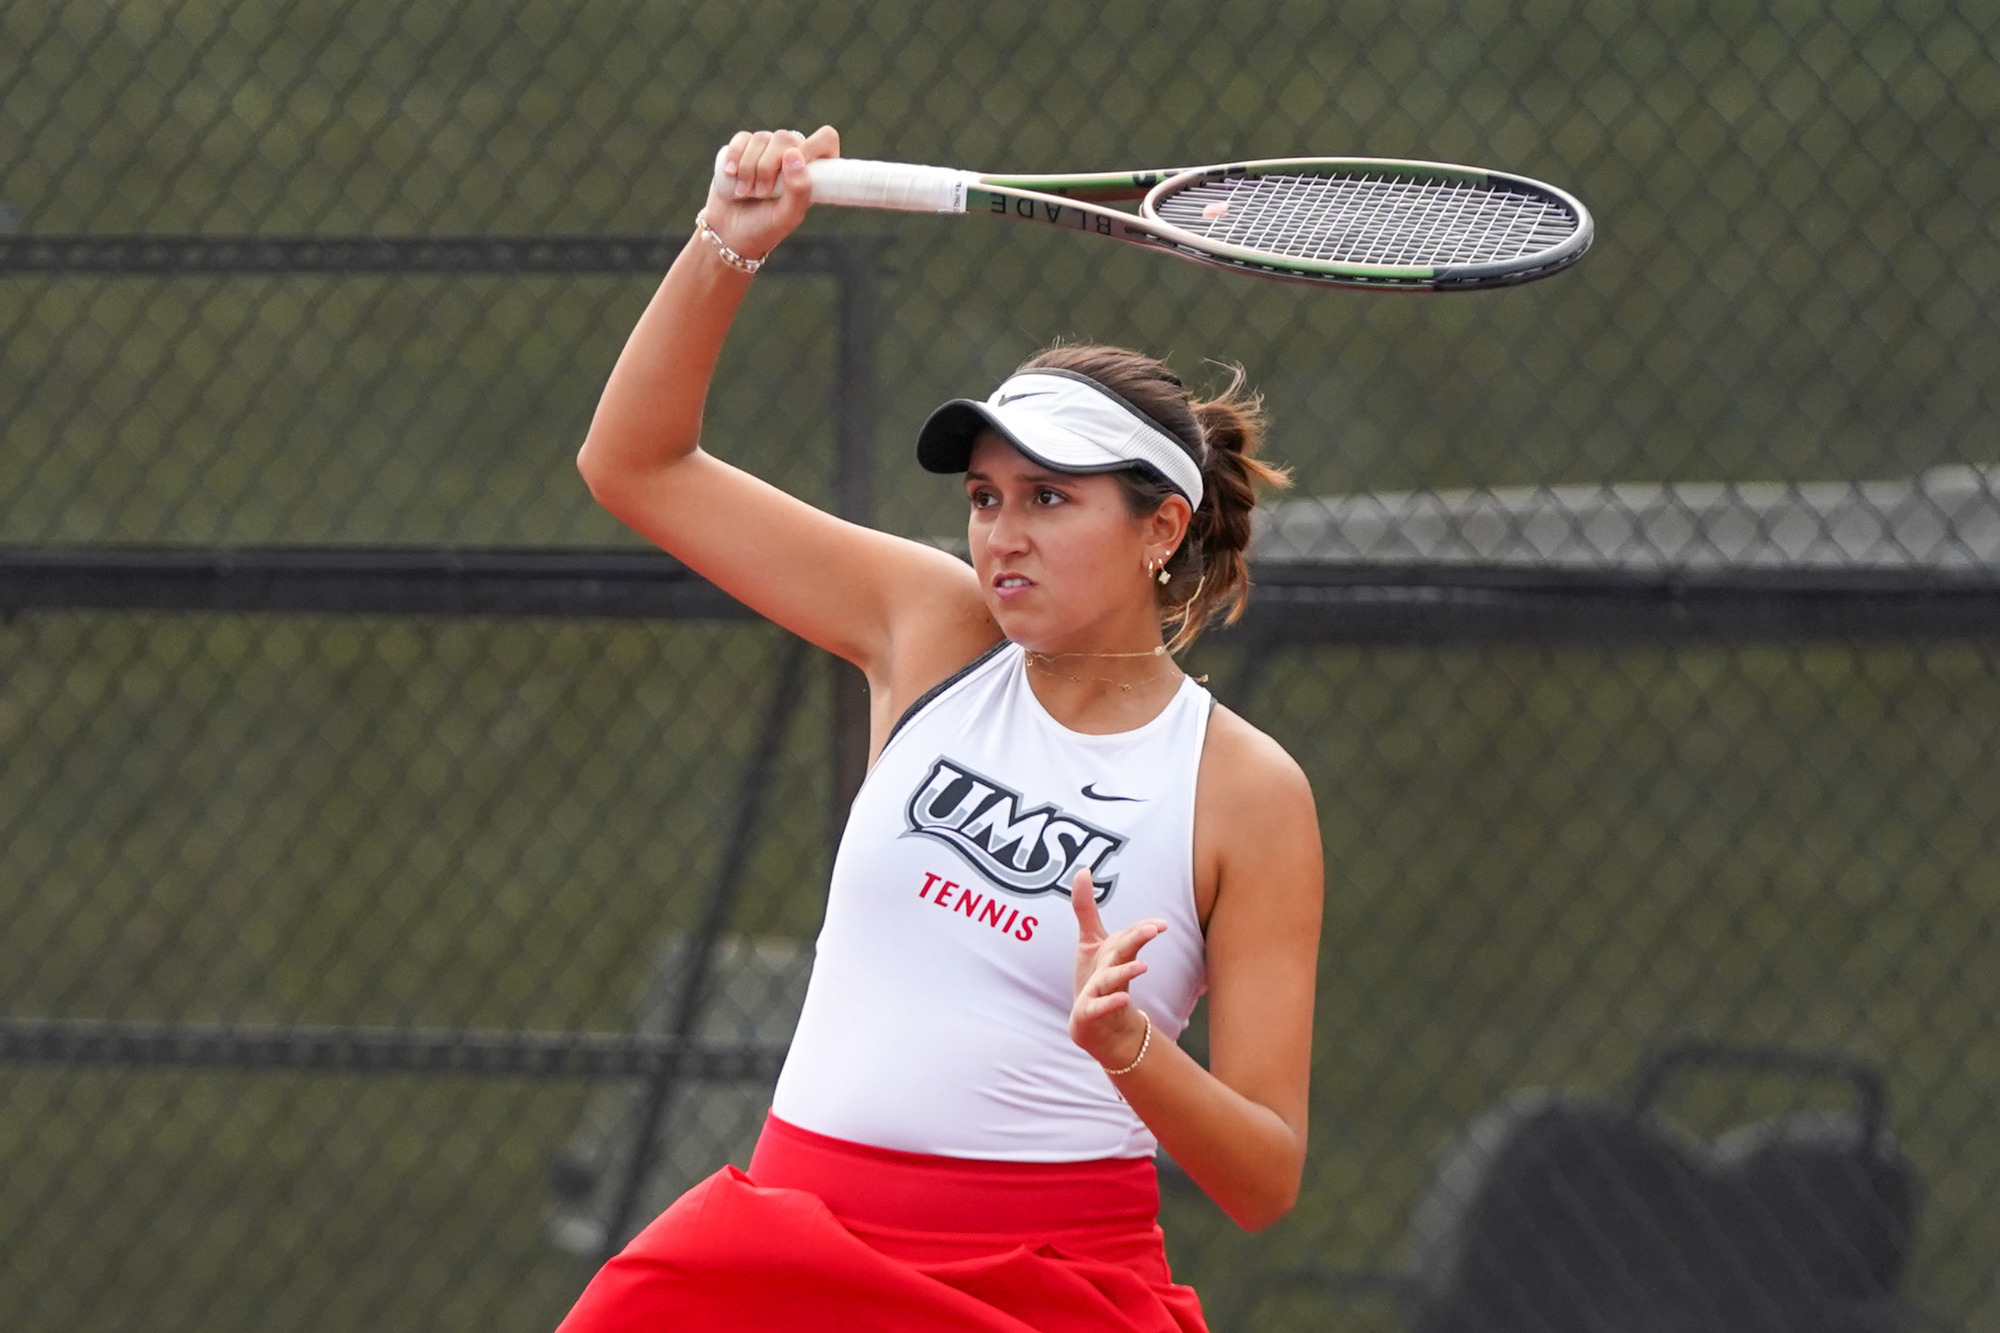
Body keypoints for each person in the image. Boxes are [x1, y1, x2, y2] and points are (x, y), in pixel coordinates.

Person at [556, 126, 1323, 1333]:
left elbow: (1263, 1175)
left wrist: (1129, 1048)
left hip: (1045, 1283)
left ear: (1162, 528)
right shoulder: (933, 628)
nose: (999, 534)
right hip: (788, 1254)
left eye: (1048, 499)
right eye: (982, 497)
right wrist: (726, 245)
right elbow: (634, 464)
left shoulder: (1242, 789)